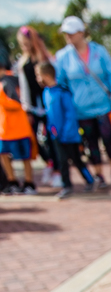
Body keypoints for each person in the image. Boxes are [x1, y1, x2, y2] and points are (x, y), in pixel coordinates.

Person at [55, 15, 111, 189]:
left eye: (71, 33)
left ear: (81, 32)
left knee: (108, 139)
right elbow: (61, 84)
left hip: (103, 105)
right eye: (66, 34)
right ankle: (99, 173)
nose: (68, 37)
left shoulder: (98, 51)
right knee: (90, 143)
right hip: (81, 109)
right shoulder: (63, 57)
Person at [37, 61, 94, 198]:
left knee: (76, 160)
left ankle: (90, 180)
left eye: (38, 75)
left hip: (68, 135)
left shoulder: (63, 92)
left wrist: (66, 133)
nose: (37, 78)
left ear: (46, 75)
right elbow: (50, 114)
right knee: (61, 160)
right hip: (56, 135)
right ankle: (67, 185)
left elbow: (70, 114)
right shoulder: (46, 92)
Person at [16, 26, 57, 186]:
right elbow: (23, 85)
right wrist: (26, 107)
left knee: (52, 138)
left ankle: (56, 168)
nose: (25, 46)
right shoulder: (23, 62)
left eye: (27, 43)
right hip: (32, 106)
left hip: (49, 103)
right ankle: (48, 162)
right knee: (33, 139)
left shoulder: (45, 58)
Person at [0, 58, 37, 194]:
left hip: (19, 127)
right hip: (5, 128)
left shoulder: (9, 81)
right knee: (3, 154)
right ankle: (12, 181)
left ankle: (29, 182)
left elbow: (19, 103)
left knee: (25, 156)